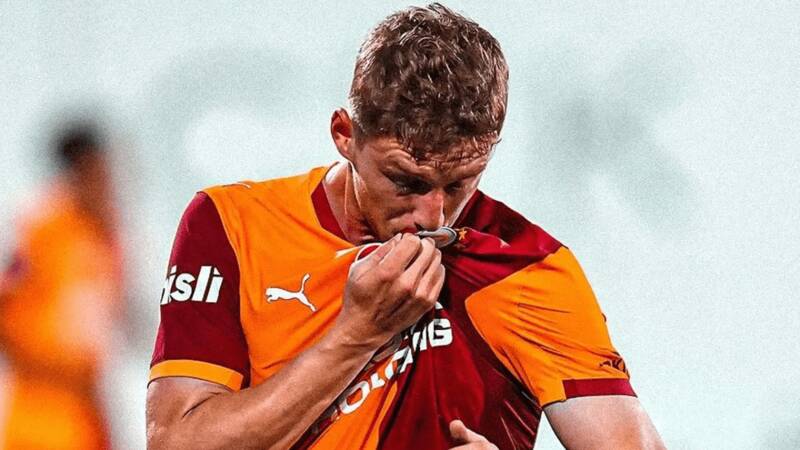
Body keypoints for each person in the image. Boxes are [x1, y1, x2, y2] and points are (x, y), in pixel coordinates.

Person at [146, 4, 665, 449]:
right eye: (406, 181)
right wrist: (358, 335)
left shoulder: (526, 267)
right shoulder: (230, 224)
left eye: (459, 183)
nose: (432, 217)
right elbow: (176, 442)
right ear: (344, 134)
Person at [0, 123, 122, 448]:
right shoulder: (42, 230)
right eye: (101, 172)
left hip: (86, 417)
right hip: (41, 419)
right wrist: (49, 363)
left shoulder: (104, 235)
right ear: (80, 171)